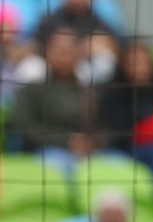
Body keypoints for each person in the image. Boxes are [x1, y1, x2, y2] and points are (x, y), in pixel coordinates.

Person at [7, 28, 96, 167]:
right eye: (59, 51)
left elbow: (107, 127)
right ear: (47, 53)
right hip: (47, 152)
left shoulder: (91, 92)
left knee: (118, 166)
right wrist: (66, 140)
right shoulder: (32, 90)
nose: (64, 57)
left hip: (94, 153)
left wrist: (94, 142)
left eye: (68, 51)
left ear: (79, 54)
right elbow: (23, 127)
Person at [98, 38, 153, 184]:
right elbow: (115, 127)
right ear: (124, 65)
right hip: (121, 148)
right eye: (134, 63)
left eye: (144, 63)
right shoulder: (112, 89)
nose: (140, 68)